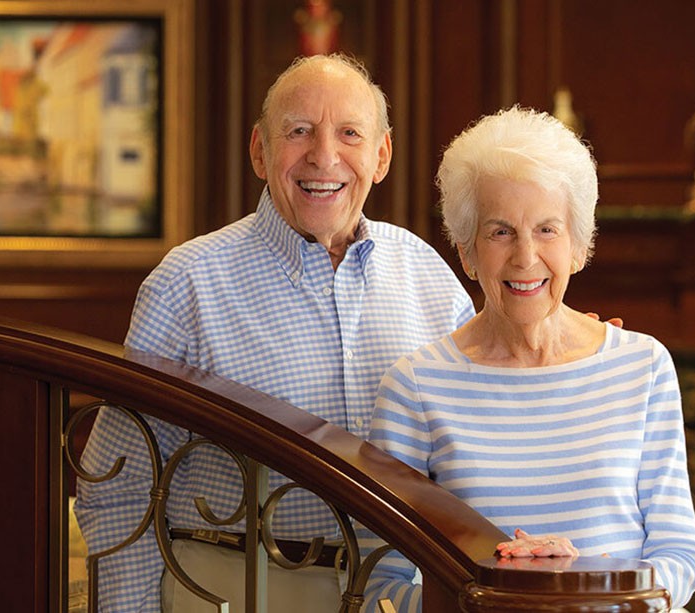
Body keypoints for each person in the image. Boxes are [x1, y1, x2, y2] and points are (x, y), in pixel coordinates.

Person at [74, 53, 477, 612]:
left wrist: (568, 350)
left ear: (381, 155)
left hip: (397, 596)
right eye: (299, 131)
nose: (324, 156)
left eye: (350, 134)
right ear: (260, 152)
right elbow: (116, 489)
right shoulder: (186, 284)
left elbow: (480, 433)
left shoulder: (428, 274)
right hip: (232, 591)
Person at [362, 106, 695, 611]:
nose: (525, 258)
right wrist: (508, 598)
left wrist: (582, 584)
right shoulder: (415, 386)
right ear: (467, 251)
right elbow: (382, 591)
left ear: (578, 247)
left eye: (547, 230)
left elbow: (680, 556)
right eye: (500, 231)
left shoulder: (644, 366)